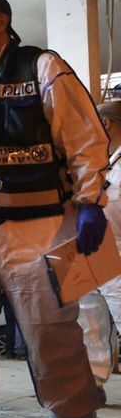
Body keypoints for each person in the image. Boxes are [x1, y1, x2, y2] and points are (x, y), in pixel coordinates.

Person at [0, 0, 110, 418]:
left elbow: (84, 137)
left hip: (38, 224)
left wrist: (90, 204)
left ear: (1, 21)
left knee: (48, 325)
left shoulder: (43, 67)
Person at [86, 101, 121, 384]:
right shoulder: (102, 163)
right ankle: (93, 386)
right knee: (92, 328)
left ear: (105, 124)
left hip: (119, 259)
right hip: (94, 257)